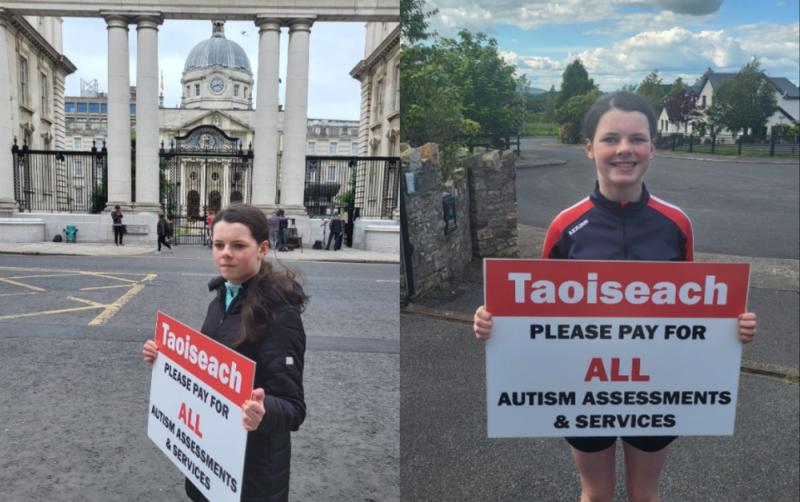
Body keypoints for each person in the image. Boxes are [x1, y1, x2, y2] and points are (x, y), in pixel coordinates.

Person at [472, 91, 757, 502]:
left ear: (652, 148)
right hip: (581, 385)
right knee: (596, 492)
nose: (624, 149)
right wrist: (492, 321)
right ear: (589, 148)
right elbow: (532, 312)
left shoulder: (676, 224)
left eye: (637, 138)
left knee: (645, 493)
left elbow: (698, 310)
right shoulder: (564, 227)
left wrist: (735, 325)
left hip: (657, 384)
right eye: (610, 139)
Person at [142, 204, 308, 501]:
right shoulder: (220, 298)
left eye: (238, 245)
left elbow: (294, 408)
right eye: (218, 244)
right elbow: (204, 368)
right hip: (211, 459)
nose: (225, 253)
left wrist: (263, 410)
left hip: (253, 472)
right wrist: (165, 359)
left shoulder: (280, 314)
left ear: (263, 248)